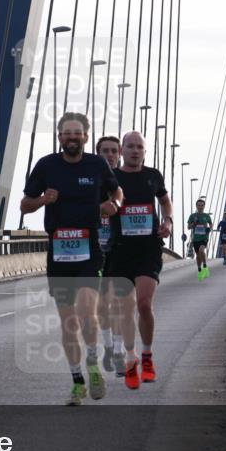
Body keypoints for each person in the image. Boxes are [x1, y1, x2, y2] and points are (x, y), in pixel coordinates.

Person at [21, 113, 123, 405]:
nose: (72, 137)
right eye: (67, 133)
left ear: (86, 137)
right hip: (58, 252)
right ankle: (78, 382)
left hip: (88, 251)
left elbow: (117, 191)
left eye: (77, 133)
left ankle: (93, 366)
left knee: (87, 314)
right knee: (69, 323)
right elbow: (25, 205)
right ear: (59, 137)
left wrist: (113, 204)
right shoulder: (46, 165)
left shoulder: (96, 164)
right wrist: (42, 200)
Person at [107, 131, 173, 390]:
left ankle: (146, 356)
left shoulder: (153, 176)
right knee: (125, 309)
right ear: (122, 151)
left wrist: (168, 221)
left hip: (148, 248)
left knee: (144, 305)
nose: (135, 151)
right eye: (130, 147)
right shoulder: (112, 178)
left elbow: (166, 202)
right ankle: (130, 355)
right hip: (120, 250)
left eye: (140, 147)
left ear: (145, 152)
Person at [95, 135, 123, 374]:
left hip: (121, 251)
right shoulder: (89, 181)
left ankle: (119, 350)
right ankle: (109, 346)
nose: (110, 155)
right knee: (102, 306)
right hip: (95, 251)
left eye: (114, 151)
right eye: (105, 151)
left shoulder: (126, 181)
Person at [187, 197, 212, 280]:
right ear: (196, 206)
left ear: (204, 206)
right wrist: (194, 223)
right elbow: (188, 227)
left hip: (204, 237)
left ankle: (205, 266)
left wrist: (210, 228)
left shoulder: (206, 216)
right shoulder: (192, 216)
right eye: (199, 205)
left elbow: (210, 224)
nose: (200, 207)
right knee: (198, 255)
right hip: (195, 239)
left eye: (202, 205)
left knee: (201, 250)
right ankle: (199, 269)